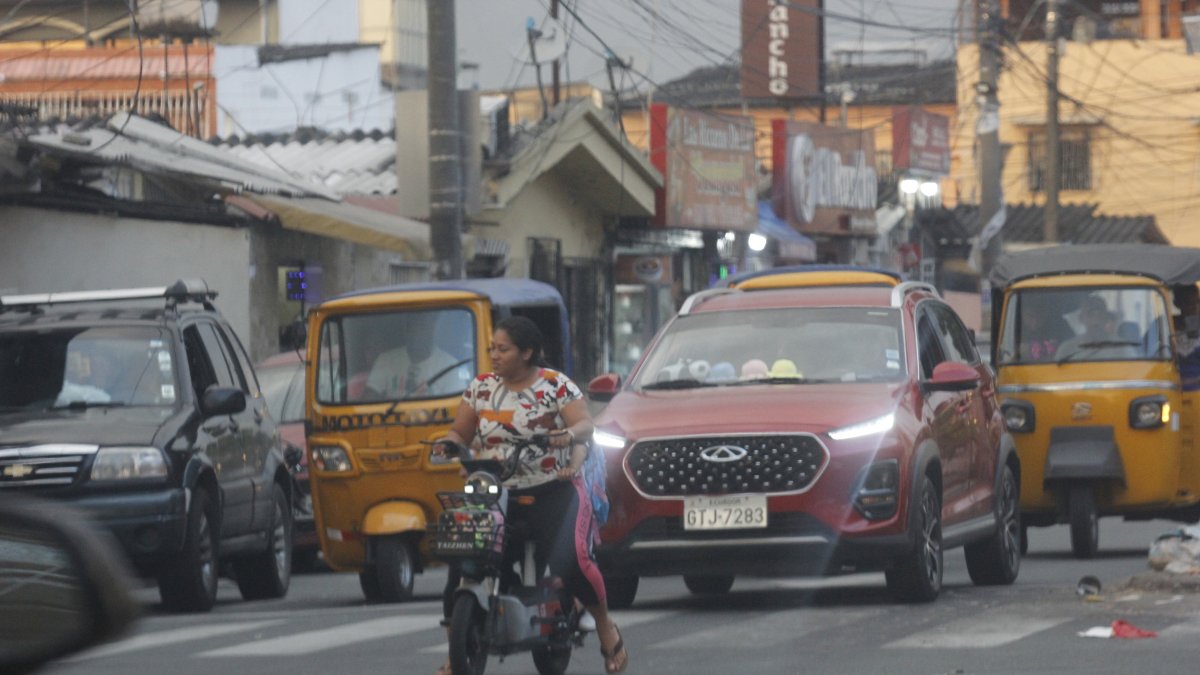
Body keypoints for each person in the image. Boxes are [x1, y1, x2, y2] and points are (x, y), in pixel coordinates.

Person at [432, 316, 628, 675]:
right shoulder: (480, 388)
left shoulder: (556, 386)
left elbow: (584, 424)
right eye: (492, 348)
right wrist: (450, 443)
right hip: (495, 494)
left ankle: (604, 625)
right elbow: (460, 431)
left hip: (554, 490)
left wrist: (566, 436)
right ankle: (456, 650)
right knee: (464, 559)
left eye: (502, 349)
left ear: (527, 352)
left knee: (576, 563)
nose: (494, 355)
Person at [364, 312, 470, 399]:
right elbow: (368, 399)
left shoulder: (450, 366)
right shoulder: (386, 360)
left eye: (424, 326)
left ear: (432, 330)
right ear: (406, 331)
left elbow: (457, 408)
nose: (418, 332)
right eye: (413, 326)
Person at [1057, 295, 1136, 360]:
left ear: (1106, 318)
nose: (1096, 320)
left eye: (1100, 314)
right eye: (1090, 314)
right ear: (1081, 318)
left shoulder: (1123, 348)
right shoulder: (1067, 349)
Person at [1173, 284, 1200, 390]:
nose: (1194, 307)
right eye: (1188, 303)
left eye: (1197, 302)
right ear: (1177, 304)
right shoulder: (1167, 324)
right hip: (1172, 387)